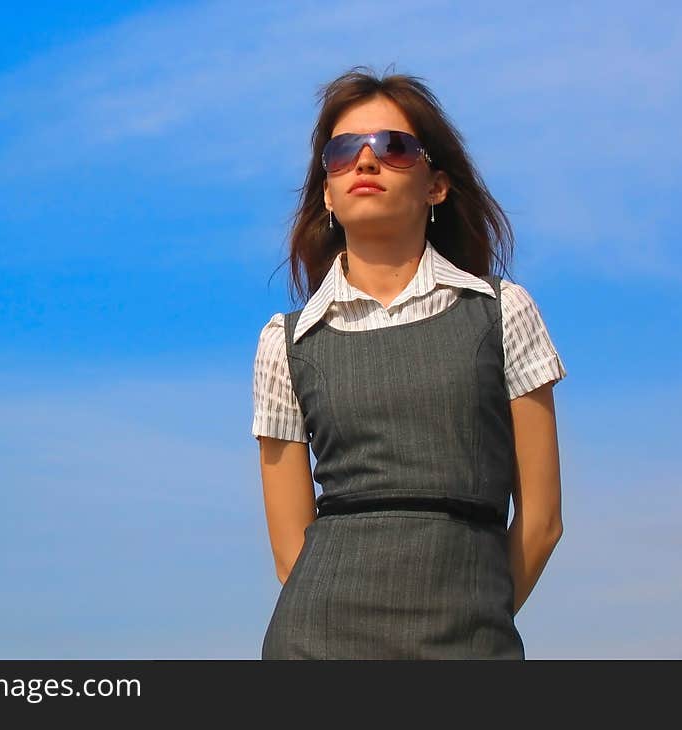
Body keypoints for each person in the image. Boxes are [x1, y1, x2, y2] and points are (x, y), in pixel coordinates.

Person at [251, 66, 567, 659]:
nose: (365, 163)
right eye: (342, 152)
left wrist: (476, 620)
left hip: (468, 642)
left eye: (393, 148)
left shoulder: (503, 314)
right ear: (326, 191)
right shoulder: (284, 343)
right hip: (314, 646)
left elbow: (543, 519)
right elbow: (290, 549)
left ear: (436, 185)